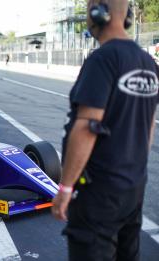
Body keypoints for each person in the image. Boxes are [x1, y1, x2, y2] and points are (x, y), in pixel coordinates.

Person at [51, 1, 159, 260]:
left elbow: (87, 126)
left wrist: (65, 188)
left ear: (99, 12)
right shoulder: (148, 62)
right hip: (133, 187)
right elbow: (148, 129)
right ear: (129, 16)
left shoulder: (103, 59)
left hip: (98, 193)